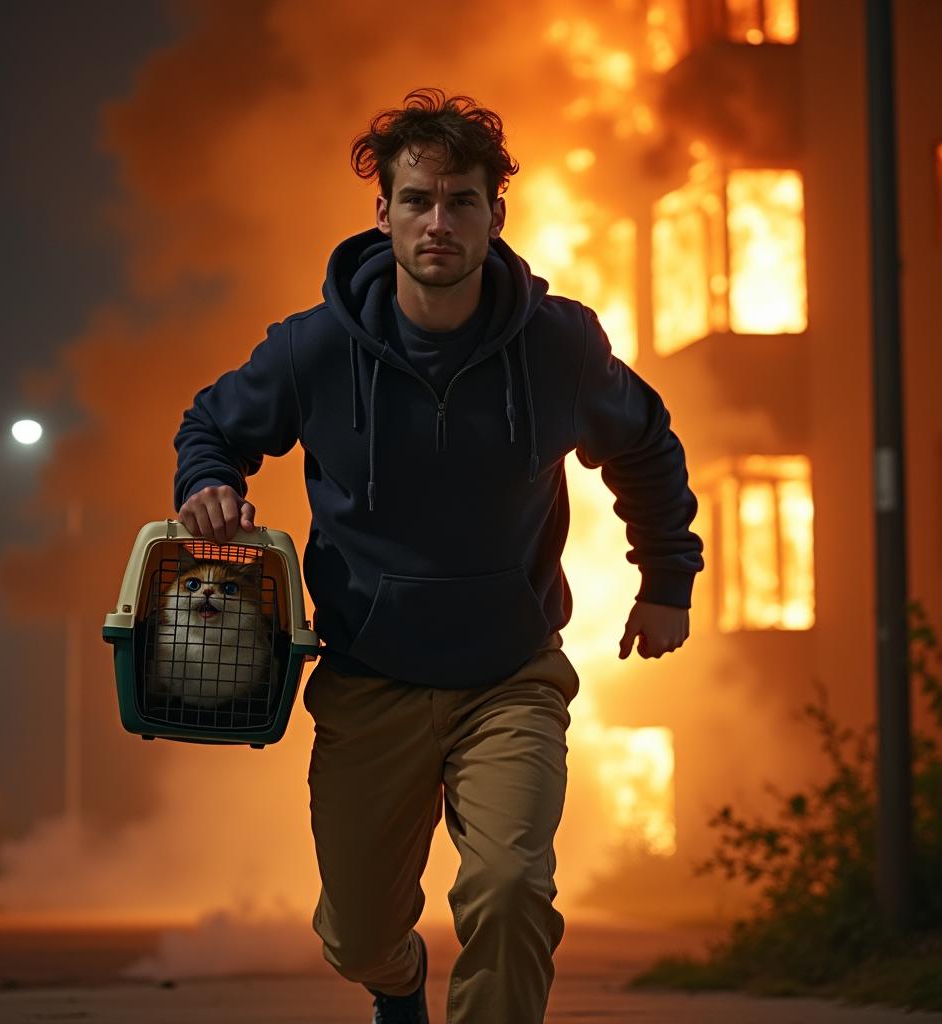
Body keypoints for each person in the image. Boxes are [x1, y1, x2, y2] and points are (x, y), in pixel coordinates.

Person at [173, 87, 703, 1024]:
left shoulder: (559, 345)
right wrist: (204, 483)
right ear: (382, 213)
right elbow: (212, 425)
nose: (438, 222)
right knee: (357, 936)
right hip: (369, 676)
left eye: (462, 201)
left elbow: (647, 443)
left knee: (507, 890)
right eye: (417, 199)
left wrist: (665, 578)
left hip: (512, 675)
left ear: (495, 216)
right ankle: (400, 984)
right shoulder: (315, 349)